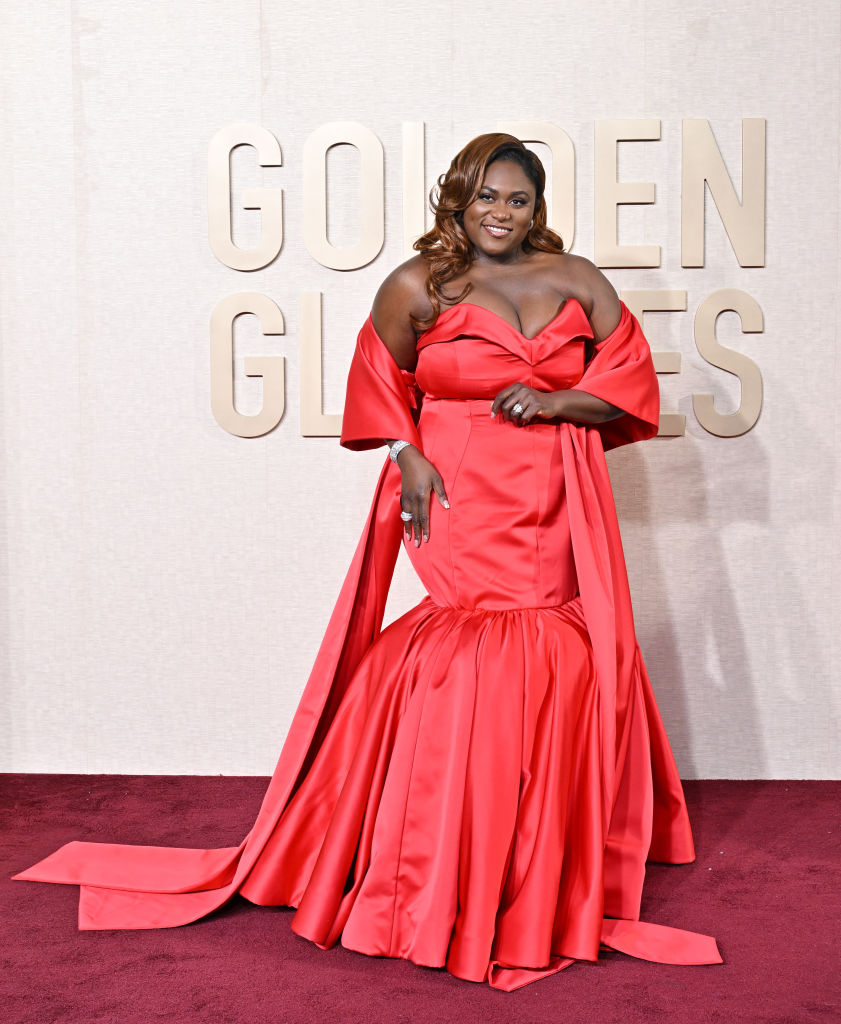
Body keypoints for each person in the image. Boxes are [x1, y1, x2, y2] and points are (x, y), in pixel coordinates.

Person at [14, 134, 720, 991]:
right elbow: (379, 382)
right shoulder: (417, 285)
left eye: (518, 200)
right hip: (460, 483)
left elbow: (628, 376)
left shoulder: (577, 279)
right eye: (486, 197)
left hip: (560, 486)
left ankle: (539, 847)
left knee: (557, 637)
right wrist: (405, 454)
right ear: (457, 200)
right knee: (473, 641)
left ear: (537, 209)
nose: (501, 213)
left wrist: (557, 400)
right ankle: (440, 846)